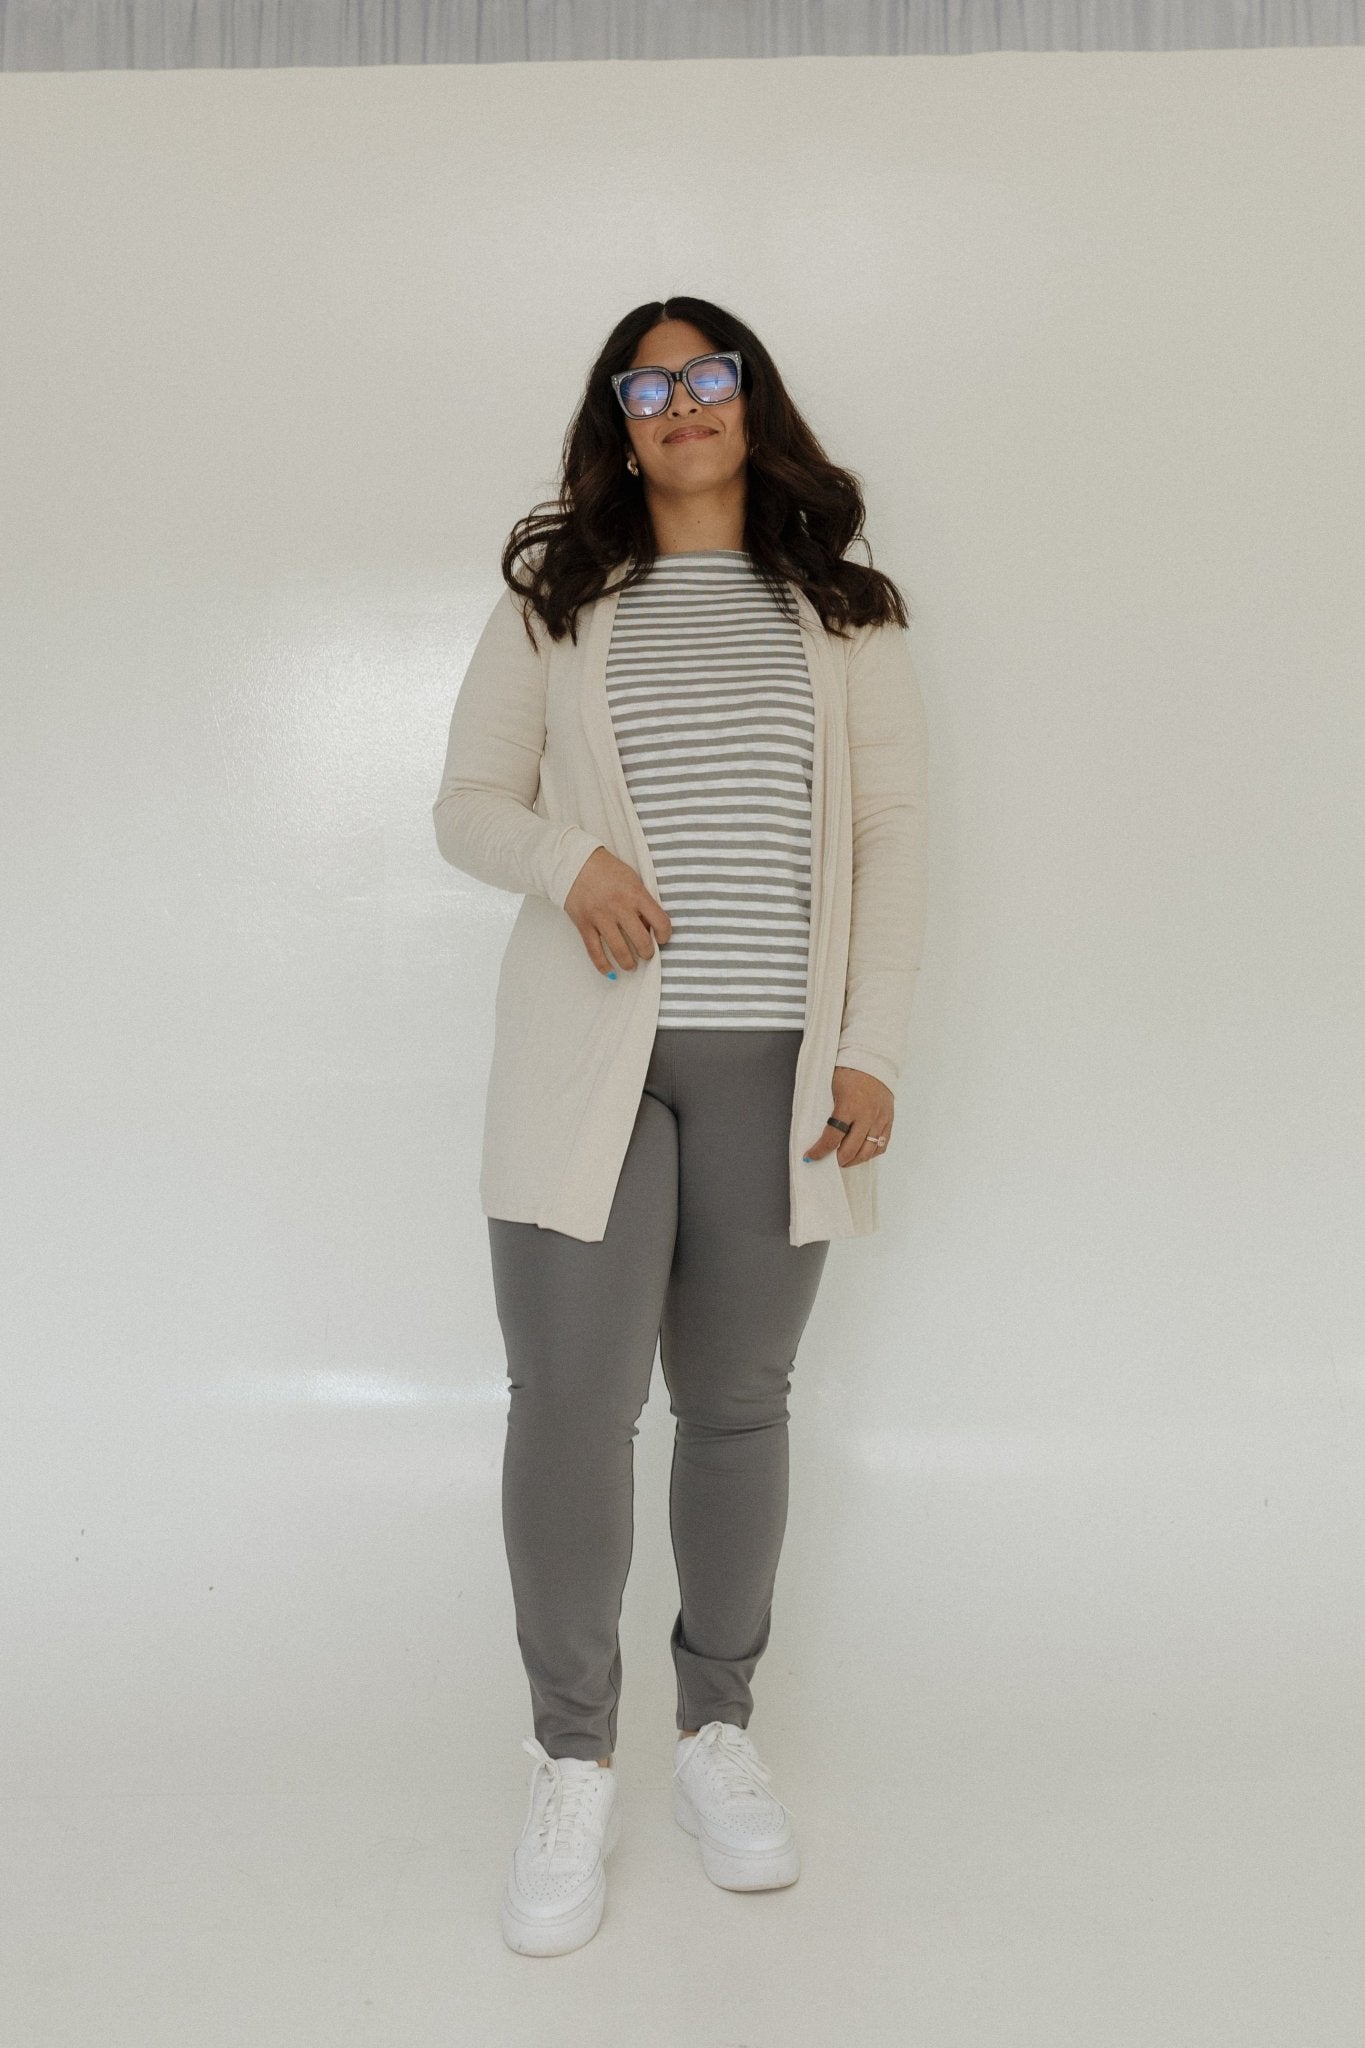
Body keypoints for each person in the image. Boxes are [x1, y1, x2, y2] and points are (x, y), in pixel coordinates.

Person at [431, 296, 929, 1956]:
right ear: (619, 423)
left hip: (777, 1067)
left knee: (733, 1404)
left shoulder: (841, 611)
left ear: (749, 400)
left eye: (707, 376)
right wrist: (568, 862)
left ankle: (716, 1733)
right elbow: (468, 804)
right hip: (585, 1062)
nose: (680, 404)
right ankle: (571, 1758)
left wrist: (868, 1048)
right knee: (571, 1405)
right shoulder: (557, 604)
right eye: (645, 388)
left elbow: (892, 835)